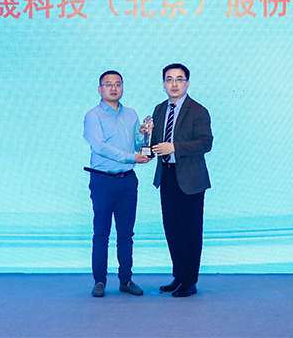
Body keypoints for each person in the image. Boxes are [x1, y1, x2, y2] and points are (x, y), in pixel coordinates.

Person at [83, 70, 152, 298]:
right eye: (108, 84)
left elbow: (138, 143)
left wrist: (145, 135)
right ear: (99, 89)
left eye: (118, 84)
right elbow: (100, 147)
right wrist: (132, 157)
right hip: (103, 180)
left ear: (122, 87)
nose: (113, 88)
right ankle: (99, 281)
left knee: (126, 234)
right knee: (101, 233)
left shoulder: (131, 114)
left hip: (127, 181)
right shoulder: (93, 116)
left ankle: (126, 280)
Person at [150, 63, 213, 297]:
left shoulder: (198, 110)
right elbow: (156, 143)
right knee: (172, 229)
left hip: (190, 179)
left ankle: (190, 281)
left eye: (179, 79)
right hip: (166, 175)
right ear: (163, 84)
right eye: (169, 79)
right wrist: (146, 134)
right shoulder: (159, 109)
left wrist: (175, 147)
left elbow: (206, 142)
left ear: (187, 83)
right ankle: (178, 276)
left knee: (190, 231)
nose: (174, 84)